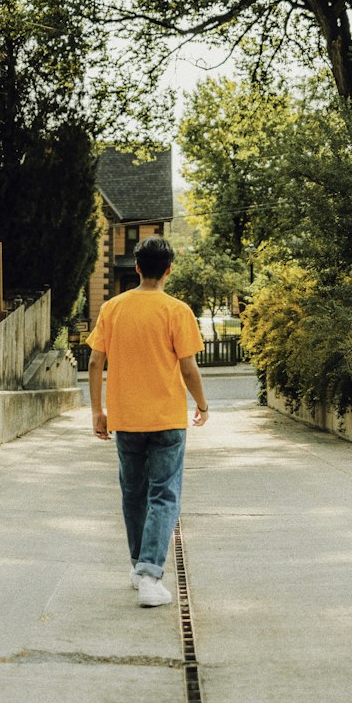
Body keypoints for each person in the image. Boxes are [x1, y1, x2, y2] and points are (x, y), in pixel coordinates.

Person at [87, 235, 208, 608]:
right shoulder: (177, 310)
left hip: (126, 420)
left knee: (134, 494)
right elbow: (188, 366)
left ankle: (139, 565)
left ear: (137, 268)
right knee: (164, 495)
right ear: (168, 270)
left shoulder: (112, 308)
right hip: (167, 419)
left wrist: (97, 411)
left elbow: (94, 362)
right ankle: (149, 574)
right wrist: (202, 404)